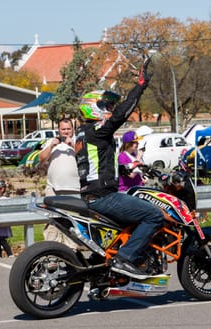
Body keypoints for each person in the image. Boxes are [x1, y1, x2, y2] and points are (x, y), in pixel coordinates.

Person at [75, 60, 164, 279]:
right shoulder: (97, 130)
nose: (110, 110)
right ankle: (125, 259)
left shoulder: (85, 133)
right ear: (92, 107)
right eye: (105, 106)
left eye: (109, 106)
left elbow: (99, 163)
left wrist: (125, 170)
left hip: (93, 193)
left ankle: (108, 268)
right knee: (153, 215)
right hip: (104, 196)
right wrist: (140, 86)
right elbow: (121, 115)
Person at [38, 117, 81, 248]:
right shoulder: (52, 143)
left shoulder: (77, 142)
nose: (66, 132)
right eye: (63, 129)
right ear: (58, 130)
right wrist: (52, 145)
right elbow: (41, 159)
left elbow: (83, 156)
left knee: (72, 221)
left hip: (74, 189)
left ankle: (72, 251)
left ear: (73, 130)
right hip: (54, 188)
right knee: (54, 221)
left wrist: (72, 145)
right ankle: (52, 250)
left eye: (68, 129)